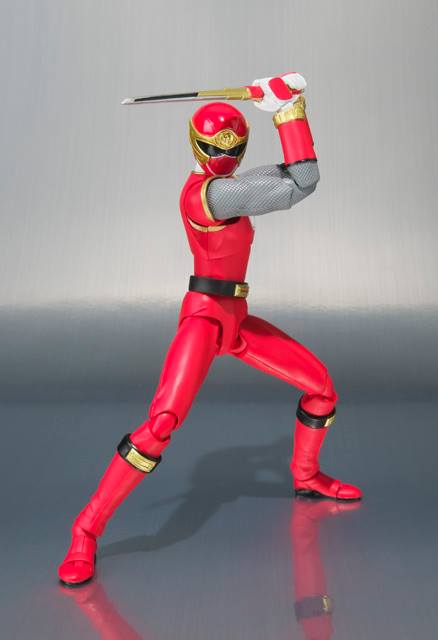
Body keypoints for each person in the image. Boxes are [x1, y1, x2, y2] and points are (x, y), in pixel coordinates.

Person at [58, 72, 361, 587]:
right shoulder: (207, 197)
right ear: (197, 146)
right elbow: (302, 181)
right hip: (204, 318)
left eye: (234, 147)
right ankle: (84, 530)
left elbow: (291, 178)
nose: (225, 155)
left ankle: (306, 475)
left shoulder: (228, 189)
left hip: (236, 319)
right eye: (216, 147)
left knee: (321, 388)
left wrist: (286, 109)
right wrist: (288, 111)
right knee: (161, 424)